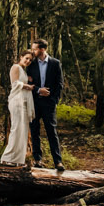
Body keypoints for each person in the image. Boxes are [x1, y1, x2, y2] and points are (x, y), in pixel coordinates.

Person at [27, 39, 64, 172]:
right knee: (34, 131)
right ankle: (38, 160)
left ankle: (58, 162)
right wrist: (38, 89)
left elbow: (59, 84)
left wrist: (53, 100)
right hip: (34, 102)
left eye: (34, 49)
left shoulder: (55, 63)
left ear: (42, 49)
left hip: (49, 104)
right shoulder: (30, 64)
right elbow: (26, 82)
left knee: (51, 132)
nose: (33, 51)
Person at [1, 52, 36, 166]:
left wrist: (27, 80)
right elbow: (15, 84)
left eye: (30, 60)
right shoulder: (15, 67)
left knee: (23, 129)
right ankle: (7, 158)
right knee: (16, 128)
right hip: (17, 101)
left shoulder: (23, 71)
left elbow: (21, 81)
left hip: (24, 102)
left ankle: (17, 160)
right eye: (26, 58)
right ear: (21, 57)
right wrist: (28, 86)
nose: (28, 61)